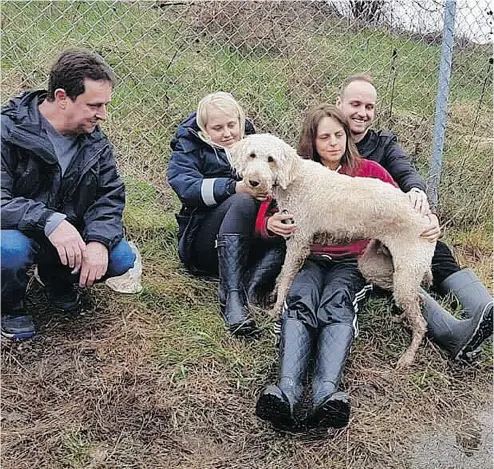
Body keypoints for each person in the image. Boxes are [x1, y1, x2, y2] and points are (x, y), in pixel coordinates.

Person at [256, 105, 398, 431]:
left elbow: (398, 205)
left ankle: (326, 393)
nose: (333, 143)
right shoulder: (296, 174)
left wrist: (423, 211)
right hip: (309, 258)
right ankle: (287, 391)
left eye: (339, 135)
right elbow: (264, 211)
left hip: (351, 261)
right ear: (312, 141)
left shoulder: (370, 172)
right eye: (324, 137)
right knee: (301, 297)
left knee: (336, 302)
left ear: (347, 137)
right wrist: (270, 223)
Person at [335, 74, 493, 361]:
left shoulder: (383, 143)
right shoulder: (327, 142)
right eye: (355, 104)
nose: (362, 113)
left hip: (397, 226)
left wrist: (421, 199)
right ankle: (453, 331)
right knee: (396, 273)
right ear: (339, 103)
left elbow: (405, 170)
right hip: (363, 242)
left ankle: (482, 308)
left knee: (430, 242)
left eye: (369, 106)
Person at [1, 49, 136, 340]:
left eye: (105, 105)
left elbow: (109, 197)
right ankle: (9, 306)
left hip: (66, 238)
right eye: (95, 105)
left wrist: (99, 240)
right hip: (17, 231)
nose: (103, 115)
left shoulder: (96, 143)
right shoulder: (6, 130)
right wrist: (50, 220)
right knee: (8, 249)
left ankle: (56, 278)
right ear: (62, 98)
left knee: (121, 257)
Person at [167, 92, 287, 337]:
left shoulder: (256, 145)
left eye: (232, 125)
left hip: (250, 237)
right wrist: (233, 187)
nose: (227, 133)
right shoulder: (190, 146)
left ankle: (251, 291)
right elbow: (185, 187)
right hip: (203, 243)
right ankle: (230, 297)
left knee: (285, 233)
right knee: (243, 200)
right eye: (217, 128)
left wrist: (272, 220)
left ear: (241, 121)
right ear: (204, 128)